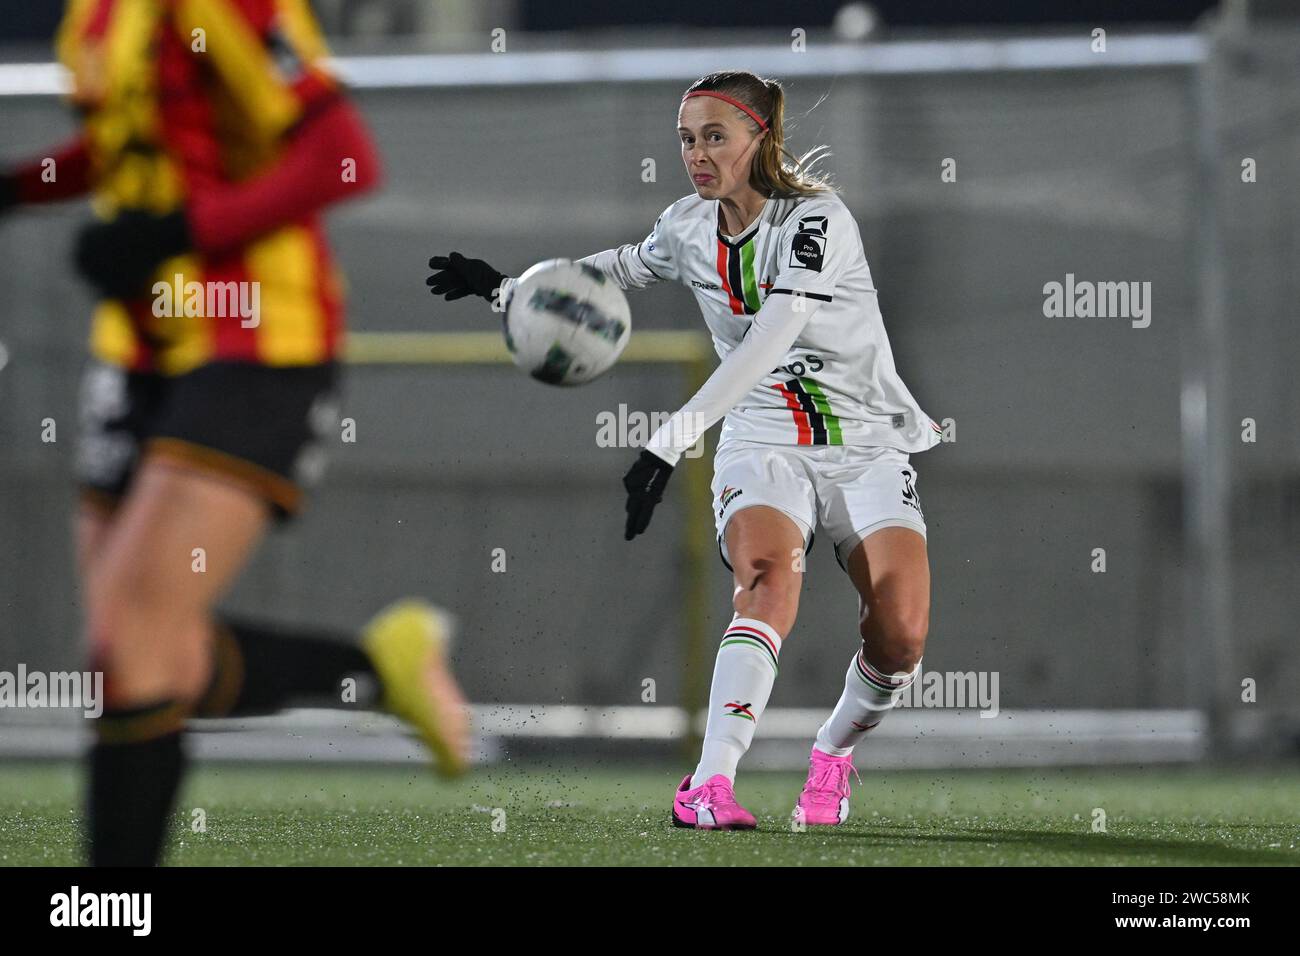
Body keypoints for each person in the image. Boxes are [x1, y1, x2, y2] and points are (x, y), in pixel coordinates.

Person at [0, 0, 469, 866]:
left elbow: (341, 157)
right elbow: (134, 147)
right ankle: (377, 669)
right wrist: (20, 190)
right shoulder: (94, 16)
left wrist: (179, 233)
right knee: (132, 661)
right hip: (137, 353)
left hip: (257, 340)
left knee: (133, 648)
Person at [427, 70, 941, 829]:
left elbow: (773, 335)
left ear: (759, 139)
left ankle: (831, 755)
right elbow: (616, 273)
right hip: (762, 436)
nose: (696, 154)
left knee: (900, 636)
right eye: (686, 139)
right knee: (769, 581)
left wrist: (669, 441)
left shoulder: (817, 221)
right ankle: (708, 784)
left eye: (714, 137)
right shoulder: (686, 227)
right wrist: (507, 290)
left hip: (863, 441)